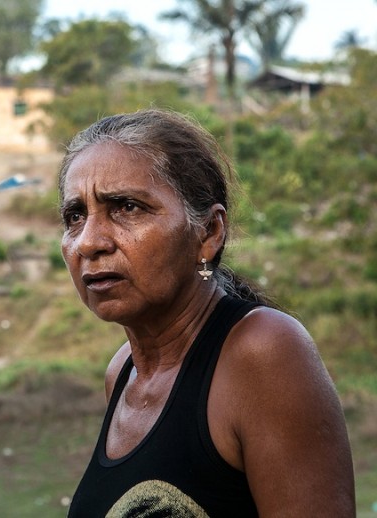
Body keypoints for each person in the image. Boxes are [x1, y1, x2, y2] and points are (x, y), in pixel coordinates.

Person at [59, 109, 355, 517]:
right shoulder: (123, 371)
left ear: (209, 232)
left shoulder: (264, 353)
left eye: (126, 207)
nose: (89, 242)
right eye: (75, 216)